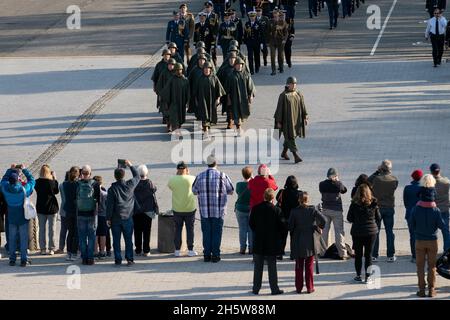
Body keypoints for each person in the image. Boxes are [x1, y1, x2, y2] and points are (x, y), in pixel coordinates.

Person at [409, 174, 448, 298]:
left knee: (420, 267)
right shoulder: (435, 210)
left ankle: (421, 290)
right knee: (432, 267)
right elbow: (443, 226)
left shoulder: (416, 208)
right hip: (432, 241)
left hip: (419, 240)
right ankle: (431, 290)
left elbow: (411, 224)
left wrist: (416, 231)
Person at [192, 155, 234, 263]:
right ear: (216, 163)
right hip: (219, 210)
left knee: (206, 233)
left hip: (204, 210)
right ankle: (215, 255)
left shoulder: (200, 176)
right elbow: (231, 190)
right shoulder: (223, 176)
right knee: (217, 233)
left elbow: (194, 190)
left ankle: (206, 255)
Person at [249, 188, 285, 295]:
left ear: (263, 197)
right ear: (273, 198)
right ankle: (274, 288)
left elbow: (251, 224)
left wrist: (257, 231)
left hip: (259, 241)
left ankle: (256, 288)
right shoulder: (277, 210)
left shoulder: (256, 209)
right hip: (272, 242)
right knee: (272, 267)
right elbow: (282, 226)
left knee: (258, 267)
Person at [289, 191, 325, 293]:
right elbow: (324, 220)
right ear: (307, 200)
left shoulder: (294, 211)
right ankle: (309, 287)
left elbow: (290, 226)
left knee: (299, 265)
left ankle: (298, 287)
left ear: (298, 200)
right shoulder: (312, 209)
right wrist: (318, 227)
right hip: (310, 239)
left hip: (298, 240)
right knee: (309, 265)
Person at [106, 160, 140, 266]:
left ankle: (118, 259)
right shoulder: (130, 185)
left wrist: (108, 218)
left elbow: (110, 206)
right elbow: (137, 176)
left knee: (116, 240)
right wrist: (130, 165)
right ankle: (129, 259)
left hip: (116, 218)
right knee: (128, 240)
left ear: (115, 177)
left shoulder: (112, 189)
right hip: (128, 217)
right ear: (124, 175)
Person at [1, 164, 36, 267]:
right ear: (18, 180)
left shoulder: (5, 188)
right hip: (22, 217)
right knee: (23, 238)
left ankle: (12, 259)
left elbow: (3, 180)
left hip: (11, 217)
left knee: (11, 238)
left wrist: (10, 169)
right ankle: (23, 260)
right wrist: (24, 170)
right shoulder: (24, 190)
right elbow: (32, 181)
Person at [347, 184, 381, 283]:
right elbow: (378, 218)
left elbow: (349, 218)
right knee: (368, 255)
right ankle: (368, 277)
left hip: (357, 232)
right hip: (371, 232)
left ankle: (358, 275)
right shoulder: (374, 203)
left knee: (358, 255)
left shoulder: (354, 204)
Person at [369, 160, 399, 262]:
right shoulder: (394, 179)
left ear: (381, 168)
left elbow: (367, 181)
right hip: (389, 207)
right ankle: (390, 255)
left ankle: (374, 255)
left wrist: (377, 171)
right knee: (389, 232)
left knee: (376, 231)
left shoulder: (376, 179)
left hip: (377, 208)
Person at [274, 76, 308, 163]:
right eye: (292, 84)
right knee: (290, 137)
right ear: (288, 84)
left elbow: (303, 105)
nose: (294, 85)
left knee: (290, 137)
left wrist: (305, 116)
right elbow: (279, 109)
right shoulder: (283, 96)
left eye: (295, 84)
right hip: (287, 122)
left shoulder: (298, 94)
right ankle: (295, 156)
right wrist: (278, 121)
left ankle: (284, 152)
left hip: (296, 120)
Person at [168, 161, 198, 257]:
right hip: (190, 208)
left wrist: (178, 176)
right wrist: (187, 174)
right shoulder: (192, 178)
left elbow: (171, 187)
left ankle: (177, 250)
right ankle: (190, 250)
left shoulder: (172, 179)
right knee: (190, 229)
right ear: (186, 169)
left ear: (177, 169)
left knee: (177, 229)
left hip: (177, 209)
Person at [319, 168, 348, 259]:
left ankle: (322, 252)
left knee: (324, 232)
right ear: (335, 176)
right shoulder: (338, 184)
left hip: (325, 210)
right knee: (339, 232)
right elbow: (344, 190)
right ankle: (342, 253)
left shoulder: (322, 184)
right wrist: (337, 181)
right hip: (337, 211)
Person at [77, 165, 101, 266]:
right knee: (91, 237)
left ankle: (84, 258)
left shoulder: (77, 184)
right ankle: (90, 259)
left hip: (80, 213)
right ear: (90, 174)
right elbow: (98, 200)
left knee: (82, 237)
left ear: (81, 173)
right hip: (92, 214)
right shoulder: (95, 184)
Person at [192, 61, 226, 135]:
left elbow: (219, 89)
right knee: (204, 115)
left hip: (211, 101)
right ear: (203, 69)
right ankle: (205, 130)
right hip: (202, 101)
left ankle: (207, 127)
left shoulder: (214, 78)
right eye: (205, 68)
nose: (207, 70)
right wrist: (196, 101)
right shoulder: (199, 79)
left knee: (210, 115)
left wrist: (218, 99)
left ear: (210, 69)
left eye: (208, 68)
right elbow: (195, 92)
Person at [224, 57, 256, 132]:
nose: (239, 66)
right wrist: (228, 99)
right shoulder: (231, 76)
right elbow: (227, 89)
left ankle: (239, 123)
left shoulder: (246, 75)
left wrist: (251, 95)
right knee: (236, 111)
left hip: (244, 97)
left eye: (241, 65)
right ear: (235, 66)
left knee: (244, 112)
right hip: (234, 98)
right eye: (238, 64)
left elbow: (251, 86)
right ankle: (238, 127)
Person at [34, 164, 59, 256]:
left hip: (41, 208)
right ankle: (51, 248)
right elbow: (56, 191)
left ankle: (43, 249)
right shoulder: (51, 182)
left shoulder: (37, 182)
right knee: (52, 229)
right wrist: (54, 179)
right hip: (52, 208)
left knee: (41, 229)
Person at [133, 165, 158, 257]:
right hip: (148, 210)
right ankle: (146, 250)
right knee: (147, 231)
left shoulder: (135, 183)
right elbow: (154, 189)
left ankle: (138, 249)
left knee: (137, 230)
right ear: (146, 173)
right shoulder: (149, 182)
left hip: (136, 211)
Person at [160, 63, 190, 133]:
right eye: (177, 70)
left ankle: (178, 128)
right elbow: (166, 90)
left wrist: (188, 101)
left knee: (180, 118)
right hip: (173, 102)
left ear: (182, 70)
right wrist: (166, 101)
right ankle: (175, 131)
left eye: (180, 70)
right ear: (175, 70)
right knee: (174, 117)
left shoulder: (185, 80)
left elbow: (188, 92)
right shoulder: (172, 79)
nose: (179, 71)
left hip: (182, 103)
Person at [276, 175, 301, 260]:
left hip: (283, 217)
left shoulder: (282, 192)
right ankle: (293, 254)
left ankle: (279, 253)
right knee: (293, 237)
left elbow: (277, 199)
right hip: (294, 219)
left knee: (282, 237)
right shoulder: (299, 193)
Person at [403, 169, 423, 262]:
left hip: (410, 213)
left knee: (412, 235)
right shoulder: (423, 188)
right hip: (421, 214)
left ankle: (414, 256)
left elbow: (405, 202)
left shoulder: (407, 188)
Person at [430, 163, 450, 252]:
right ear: (439, 171)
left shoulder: (430, 183)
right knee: (446, 232)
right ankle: (447, 251)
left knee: (432, 232)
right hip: (444, 209)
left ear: (431, 172)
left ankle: (432, 250)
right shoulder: (446, 181)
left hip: (433, 210)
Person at [62, 166, 80, 261]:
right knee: (76, 233)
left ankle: (68, 252)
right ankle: (74, 252)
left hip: (68, 210)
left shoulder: (65, 184)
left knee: (70, 232)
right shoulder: (78, 184)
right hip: (76, 209)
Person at [235, 166, 253, 255]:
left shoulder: (239, 184)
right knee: (251, 229)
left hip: (240, 208)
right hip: (250, 208)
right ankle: (251, 248)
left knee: (242, 229)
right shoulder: (253, 184)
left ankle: (242, 248)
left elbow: (238, 192)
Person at [156, 58, 176, 125]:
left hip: (173, 94)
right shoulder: (164, 73)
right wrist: (160, 93)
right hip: (165, 94)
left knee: (173, 109)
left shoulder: (176, 73)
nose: (171, 66)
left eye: (172, 65)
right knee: (165, 108)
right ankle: (166, 120)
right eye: (169, 65)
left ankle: (171, 122)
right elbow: (159, 84)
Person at [268, 9, 288, 75]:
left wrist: (284, 40)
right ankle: (273, 70)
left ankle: (281, 67)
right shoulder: (270, 22)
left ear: (278, 15)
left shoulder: (283, 22)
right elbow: (266, 31)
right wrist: (267, 41)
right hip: (272, 41)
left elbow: (286, 33)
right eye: (274, 14)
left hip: (280, 41)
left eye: (277, 14)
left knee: (280, 55)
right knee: (272, 56)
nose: (275, 16)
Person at [93, 176, 108, 259]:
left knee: (95, 234)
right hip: (103, 215)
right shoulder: (105, 193)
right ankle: (102, 252)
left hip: (94, 215)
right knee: (103, 234)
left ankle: (95, 251)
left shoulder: (92, 193)